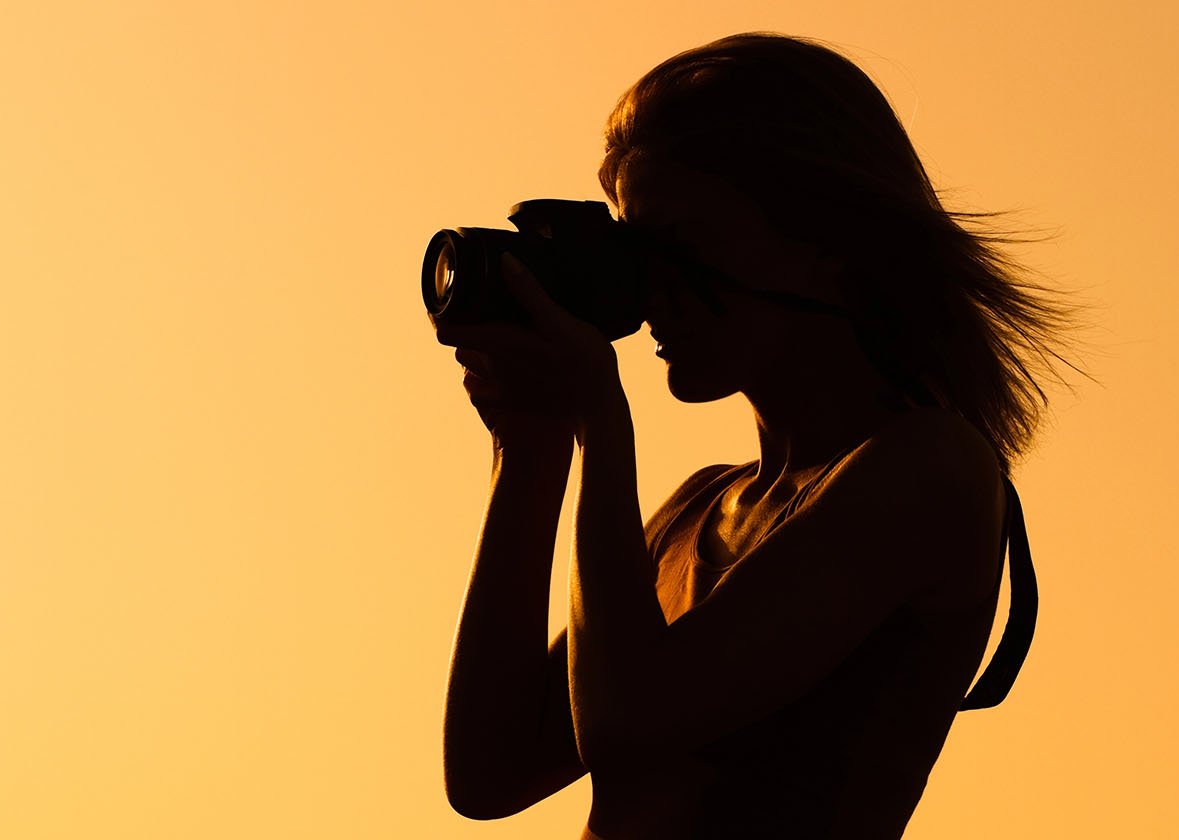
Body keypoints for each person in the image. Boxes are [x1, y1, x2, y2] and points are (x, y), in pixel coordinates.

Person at [437, 32, 1087, 839]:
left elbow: (629, 724)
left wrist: (602, 426)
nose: (651, 290)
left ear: (827, 245)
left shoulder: (929, 469)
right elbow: (488, 771)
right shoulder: (697, 511)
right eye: (636, 251)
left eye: (680, 246)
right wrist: (529, 451)